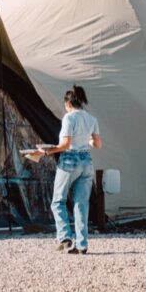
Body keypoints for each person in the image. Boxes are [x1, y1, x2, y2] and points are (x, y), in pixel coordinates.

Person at [30, 85, 101, 255]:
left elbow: (65, 145)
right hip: (86, 161)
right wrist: (86, 142)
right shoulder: (92, 119)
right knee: (81, 204)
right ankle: (82, 245)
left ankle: (65, 237)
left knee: (58, 201)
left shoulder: (69, 118)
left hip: (70, 160)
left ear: (68, 102)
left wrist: (44, 151)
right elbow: (97, 144)